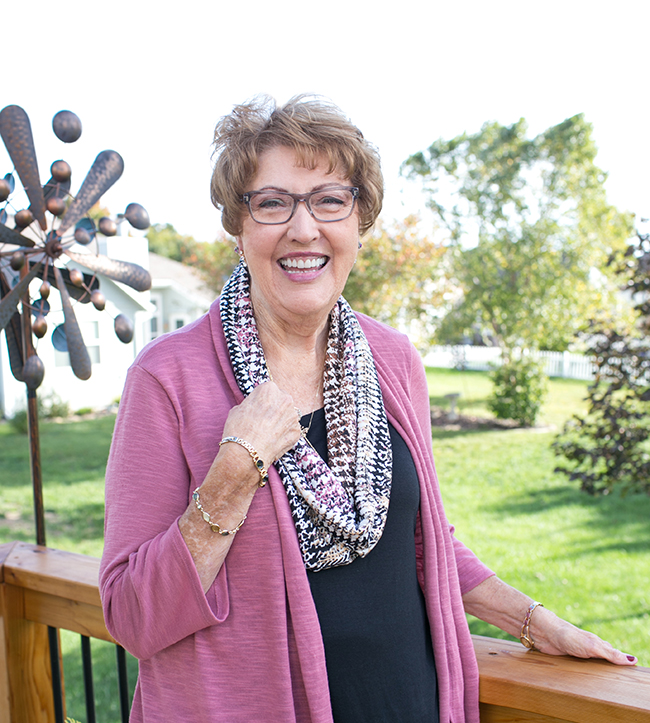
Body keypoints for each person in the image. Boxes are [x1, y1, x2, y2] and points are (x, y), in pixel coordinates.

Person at [99, 95, 637, 723]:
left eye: (330, 200)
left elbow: (419, 539)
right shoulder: (169, 377)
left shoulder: (392, 358)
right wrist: (234, 474)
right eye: (273, 203)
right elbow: (133, 616)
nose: (304, 229)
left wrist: (534, 621)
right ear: (238, 226)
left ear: (360, 222)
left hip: (407, 700)